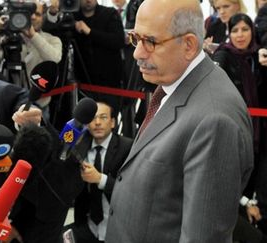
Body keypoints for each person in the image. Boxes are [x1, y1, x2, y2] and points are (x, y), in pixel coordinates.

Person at [105, 0, 254, 242]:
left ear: (188, 44)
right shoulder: (174, 83)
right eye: (135, 38)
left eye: (150, 42)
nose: (137, 53)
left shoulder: (215, 122)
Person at [212, 13, 267, 242]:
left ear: (252, 31)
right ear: (229, 33)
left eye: (245, 29)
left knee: (261, 183)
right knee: (236, 184)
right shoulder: (223, 55)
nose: (240, 35)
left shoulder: (259, 56)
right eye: (235, 30)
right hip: (234, 133)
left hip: (262, 134)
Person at [69, 101, 132, 243]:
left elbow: (132, 191)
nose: (97, 123)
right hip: (87, 225)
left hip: (118, 225)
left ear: (112, 123)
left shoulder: (127, 147)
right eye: (93, 118)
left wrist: (99, 179)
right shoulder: (78, 146)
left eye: (103, 117)